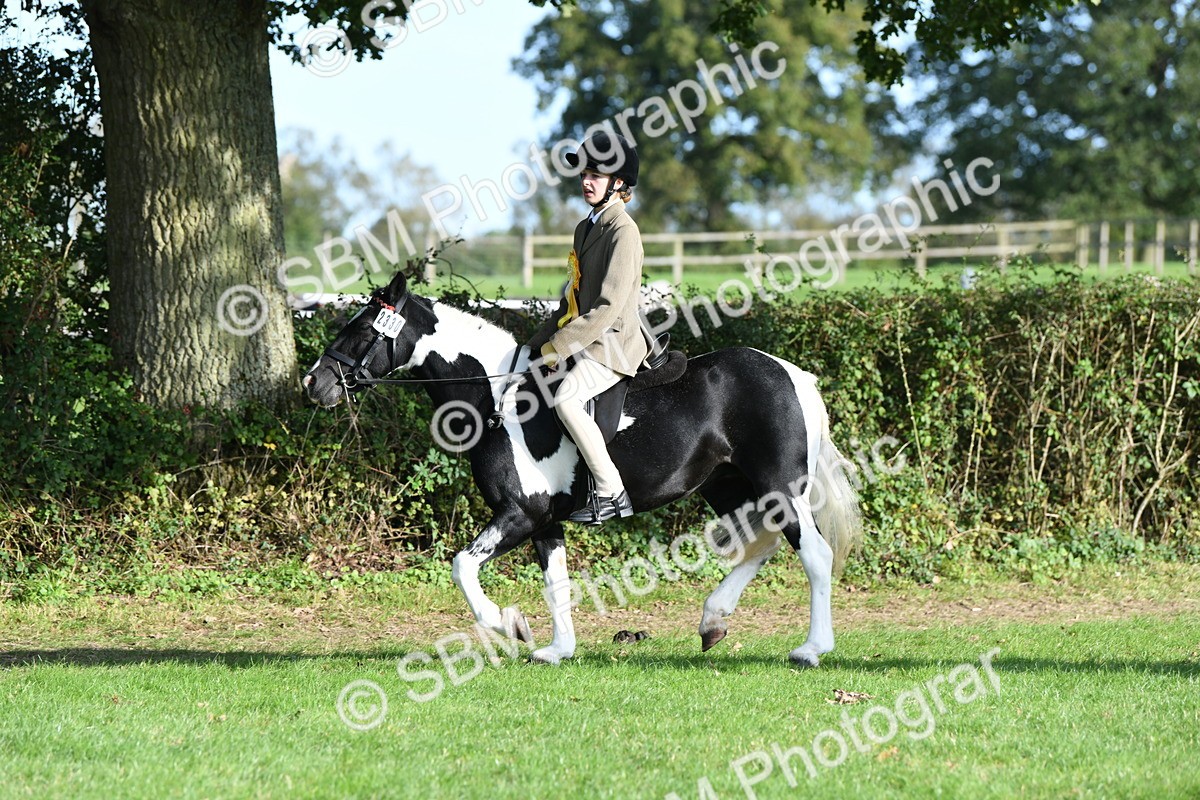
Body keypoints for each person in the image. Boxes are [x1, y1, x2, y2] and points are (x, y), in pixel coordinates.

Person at [527, 131, 649, 524]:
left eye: (596, 174)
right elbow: (572, 298)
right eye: (584, 172)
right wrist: (536, 344)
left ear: (619, 183)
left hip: (613, 344)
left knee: (565, 399)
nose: (586, 181)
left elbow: (608, 307)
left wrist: (559, 347)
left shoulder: (623, 232)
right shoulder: (585, 229)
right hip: (587, 337)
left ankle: (612, 492)